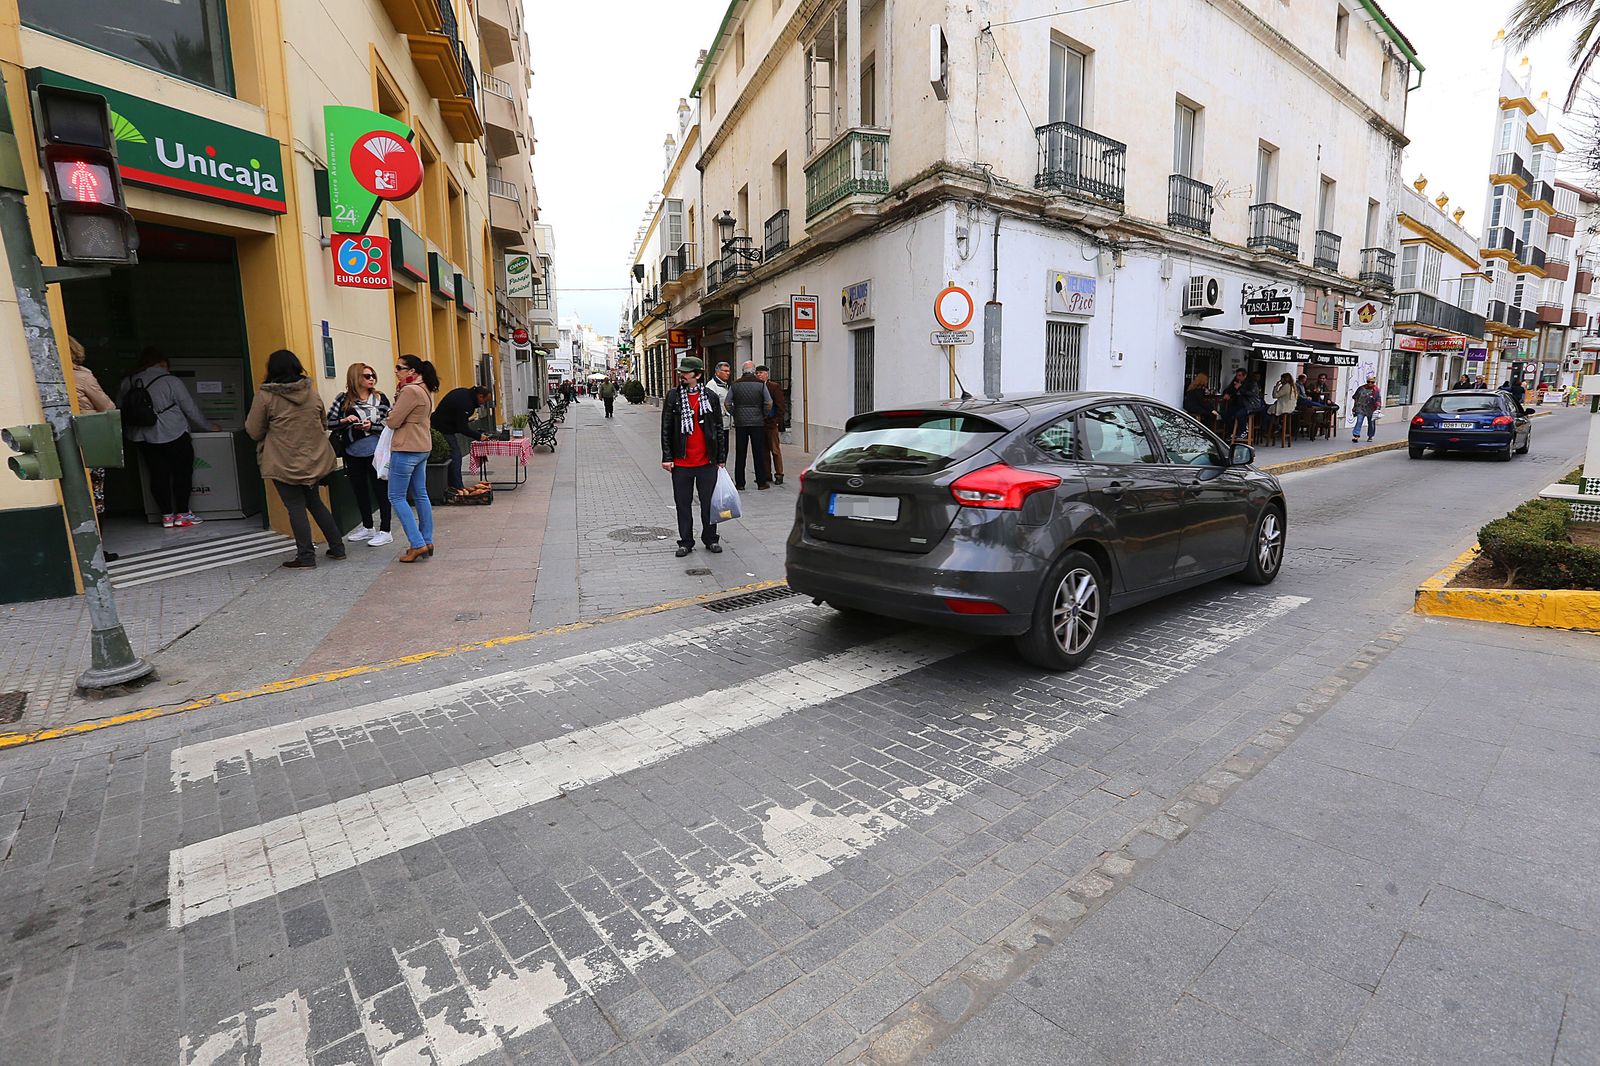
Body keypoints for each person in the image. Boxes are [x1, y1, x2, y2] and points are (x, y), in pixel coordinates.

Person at [245, 350, 344, 570]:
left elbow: (253, 430)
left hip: (283, 461)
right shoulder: (311, 392)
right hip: (313, 459)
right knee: (315, 502)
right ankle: (338, 548)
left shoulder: (266, 396)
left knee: (295, 507)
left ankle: (306, 557)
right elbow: (323, 422)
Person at [118, 346, 218, 529]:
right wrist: (209, 426)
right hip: (173, 433)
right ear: (163, 364)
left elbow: (120, 408)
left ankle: (166, 516)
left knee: (157, 474)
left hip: (141, 435)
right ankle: (182, 514)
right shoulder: (170, 380)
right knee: (182, 473)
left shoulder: (128, 381)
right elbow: (189, 408)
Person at [660, 355, 727, 558]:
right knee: (683, 504)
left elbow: (718, 428)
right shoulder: (673, 396)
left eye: (686, 372)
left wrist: (721, 457)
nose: (681, 375)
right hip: (681, 463)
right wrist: (667, 456)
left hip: (706, 461)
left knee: (709, 504)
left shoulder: (710, 397)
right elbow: (666, 428)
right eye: (681, 372)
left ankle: (710, 539)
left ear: (697, 375)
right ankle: (686, 542)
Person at [328, 363, 393, 547]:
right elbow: (329, 422)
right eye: (366, 375)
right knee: (359, 490)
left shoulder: (380, 398)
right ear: (355, 378)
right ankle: (367, 527)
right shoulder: (343, 399)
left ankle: (386, 530)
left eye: (373, 375)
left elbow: (390, 423)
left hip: (376, 452)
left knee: (381, 491)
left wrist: (370, 427)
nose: (371, 378)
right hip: (352, 452)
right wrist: (345, 420)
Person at [386, 355, 439, 563]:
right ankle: (427, 539)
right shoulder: (424, 388)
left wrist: (397, 398)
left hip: (406, 448)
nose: (396, 371)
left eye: (400, 367)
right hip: (422, 447)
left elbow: (393, 421)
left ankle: (417, 544)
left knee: (396, 497)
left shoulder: (410, 391)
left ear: (412, 372)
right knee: (421, 495)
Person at [69, 336, 116, 519]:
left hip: (63, 438)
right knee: (96, 490)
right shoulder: (83, 377)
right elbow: (108, 407)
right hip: (89, 436)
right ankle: (97, 539)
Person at [431, 383, 491, 497]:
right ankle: (457, 487)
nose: (484, 404)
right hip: (442, 428)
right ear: (480, 396)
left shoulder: (466, 394)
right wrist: (479, 436)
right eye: (485, 401)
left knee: (451, 455)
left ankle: (452, 485)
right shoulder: (466, 403)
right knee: (455, 455)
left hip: (442, 425)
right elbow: (462, 427)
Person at [729, 361, 774, 490]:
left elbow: (727, 402)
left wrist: (735, 413)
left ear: (743, 371)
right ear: (754, 372)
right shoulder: (760, 385)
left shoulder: (735, 384)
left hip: (741, 423)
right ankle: (761, 482)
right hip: (757, 422)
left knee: (740, 453)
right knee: (758, 452)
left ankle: (740, 483)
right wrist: (763, 414)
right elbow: (769, 402)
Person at [756, 365, 787, 485]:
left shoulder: (773, 386)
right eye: (757, 373)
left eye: (761, 373)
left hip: (771, 422)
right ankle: (767, 474)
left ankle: (779, 474)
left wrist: (777, 420)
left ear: (767, 374)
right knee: (763, 451)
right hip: (760, 423)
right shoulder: (756, 387)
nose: (759, 375)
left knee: (775, 450)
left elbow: (780, 405)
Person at [1219, 369, 1257, 442]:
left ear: (1244, 375)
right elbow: (1229, 390)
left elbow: (1251, 393)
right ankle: (1231, 432)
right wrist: (1227, 393)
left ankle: (1243, 430)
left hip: (1249, 405)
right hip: (1238, 404)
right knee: (1225, 414)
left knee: (1239, 414)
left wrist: (1240, 388)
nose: (1237, 377)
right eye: (1237, 375)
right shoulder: (1235, 382)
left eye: (1239, 375)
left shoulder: (1251, 383)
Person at [1351, 375, 1382, 442]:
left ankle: (1370, 436)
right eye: (1368, 382)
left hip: (1371, 409)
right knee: (1359, 421)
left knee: (1371, 423)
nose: (1370, 383)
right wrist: (1354, 407)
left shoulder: (1376, 390)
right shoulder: (1361, 388)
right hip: (1360, 407)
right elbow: (1355, 398)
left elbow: (1378, 399)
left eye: (1372, 382)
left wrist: (1378, 407)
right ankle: (1356, 435)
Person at [1270, 371, 1298, 447]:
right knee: (1271, 409)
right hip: (1290, 408)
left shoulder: (1286, 386)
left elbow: (1275, 395)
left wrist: (1276, 386)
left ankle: (1273, 427)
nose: (1280, 380)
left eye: (1281, 379)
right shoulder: (1292, 386)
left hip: (1283, 407)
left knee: (1268, 410)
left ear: (1284, 379)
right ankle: (1277, 424)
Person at [706, 361, 733, 432]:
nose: (728, 373)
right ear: (717, 372)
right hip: (717, 425)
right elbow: (710, 405)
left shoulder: (725, 385)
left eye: (729, 371)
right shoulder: (711, 385)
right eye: (725, 371)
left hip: (725, 424)